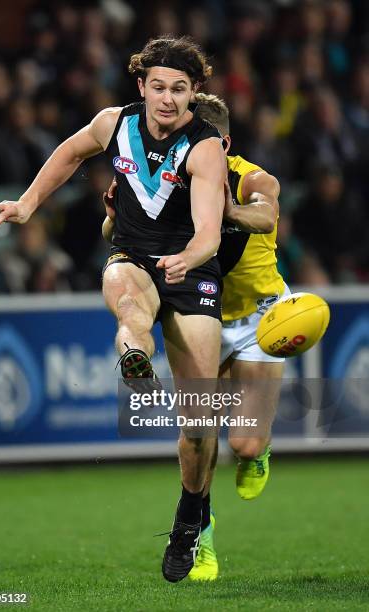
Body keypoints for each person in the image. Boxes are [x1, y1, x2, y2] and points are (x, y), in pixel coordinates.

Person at [0, 36, 227, 584]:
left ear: (195, 93)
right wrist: (26, 203)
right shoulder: (114, 123)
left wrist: (189, 257)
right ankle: (135, 359)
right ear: (141, 86)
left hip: (191, 270)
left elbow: (210, 230)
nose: (167, 98)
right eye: (158, 86)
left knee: (201, 425)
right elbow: (69, 154)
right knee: (130, 310)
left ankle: (189, 518)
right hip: (133, 256)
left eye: (179, 90)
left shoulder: (206, 146)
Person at [103, 92, 289, 583]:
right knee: (197, 430)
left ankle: (259, 452)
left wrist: (226, 212)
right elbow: (122, 233)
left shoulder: (252, 177)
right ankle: (200, 539)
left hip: (254, 319)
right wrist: (111, 218)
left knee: (245, 445)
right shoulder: (162, 176)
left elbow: (266, 216)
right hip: (197, 312)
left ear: (220, 142)